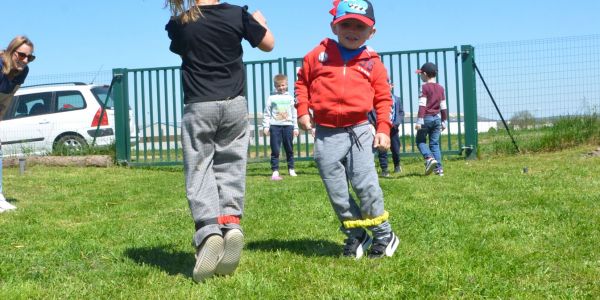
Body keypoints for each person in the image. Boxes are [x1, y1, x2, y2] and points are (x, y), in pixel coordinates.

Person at [165, 0, 274, 282]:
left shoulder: (181, 22)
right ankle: (231, 223)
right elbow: (269, 45)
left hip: (199, 105)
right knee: (231, 166)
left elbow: (181, 48)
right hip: (235, 104)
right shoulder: (237, 14)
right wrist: (260, 24)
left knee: (200, 168)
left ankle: (208, 231)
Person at [295, 0, 399, 259]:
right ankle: (356, 233)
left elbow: (384, 98)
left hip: (360, 131)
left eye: (359, 27)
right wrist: (301, 111)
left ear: (371, 33)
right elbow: (302, 83)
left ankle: (384, 234)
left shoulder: (373, 63)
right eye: (346, 25)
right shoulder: (317, 55)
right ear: (334, 26)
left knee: (365, 185)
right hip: (326, 133)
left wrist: (383, 128)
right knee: (337, 190)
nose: (352, 31)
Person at [0, 36, 35, 213]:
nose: (26, 60)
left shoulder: (23, 71)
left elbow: (6, 99)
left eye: (30, 57)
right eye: (22, 55)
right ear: (11, 51)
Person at [262, 74, 299, 180]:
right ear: (275, 86)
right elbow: (267, 113)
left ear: (286, 85)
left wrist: (295, 127)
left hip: (288, 126)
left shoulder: (290, 98)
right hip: (275, 127)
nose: (281, 88)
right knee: (275, 150)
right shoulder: (271, 98)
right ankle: (275, 170)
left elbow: (294, 113)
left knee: (289, 149)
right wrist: (266, 126)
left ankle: (291, 168)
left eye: (283, 85)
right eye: (278, 86)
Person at [415, 62, 447, 176]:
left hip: (426, 119)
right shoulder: (441, 88)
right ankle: (439, 169)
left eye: (420, 74)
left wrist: (419, 120)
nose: (420, 76)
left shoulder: (424, 87)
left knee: (420, 141)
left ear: (425, 74)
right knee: (434, 144)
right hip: (437, 119)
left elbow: (422, 105)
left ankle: (429, 158)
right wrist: (444, 121)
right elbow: (443, 106)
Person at [368, 82, 404, 177]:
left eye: (388, 84)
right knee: (382, 149)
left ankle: (397, 165)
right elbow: (371, 113)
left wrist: (396, 123)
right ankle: (384, 169)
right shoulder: (375, 100)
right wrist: (374, 122)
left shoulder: (397, 99)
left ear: (392, 86)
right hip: (380, 128)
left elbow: (400, 112)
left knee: (395, 148)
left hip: (393, 128)